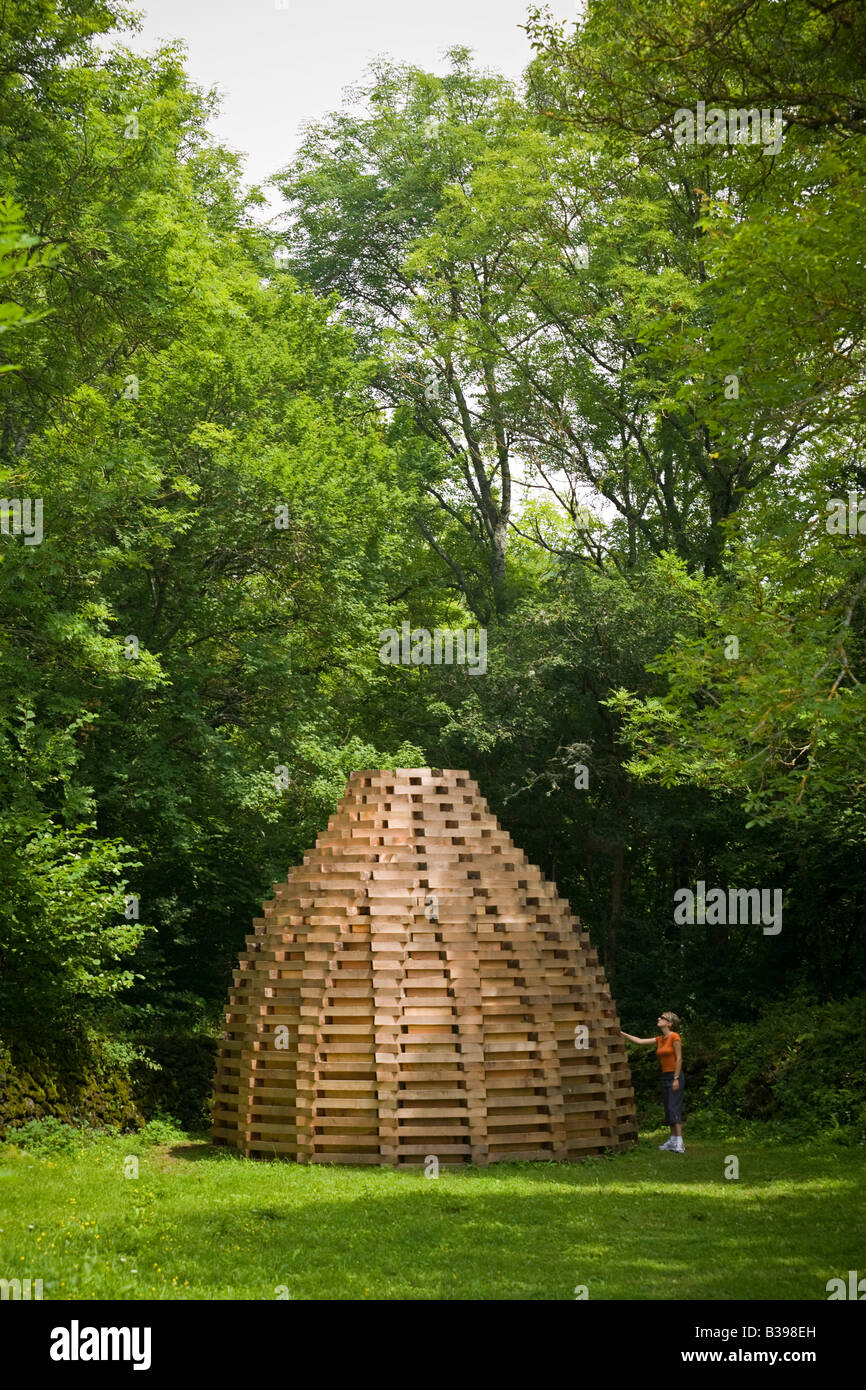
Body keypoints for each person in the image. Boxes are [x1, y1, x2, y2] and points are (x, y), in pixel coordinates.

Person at [620, 1011, 685, 1153]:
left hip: (675, 1076)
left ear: (670, 1023)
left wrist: (676, 1078)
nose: (659, 1019)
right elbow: (639, 1041)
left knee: (674, 1108)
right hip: (665, 1076)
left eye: (662, 1018)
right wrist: (620, 1033)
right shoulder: (660, 1039)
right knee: (668, 1108)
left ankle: (680, 1142)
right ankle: (672, 1141)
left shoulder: (675, 1037)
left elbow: (679, 1058)